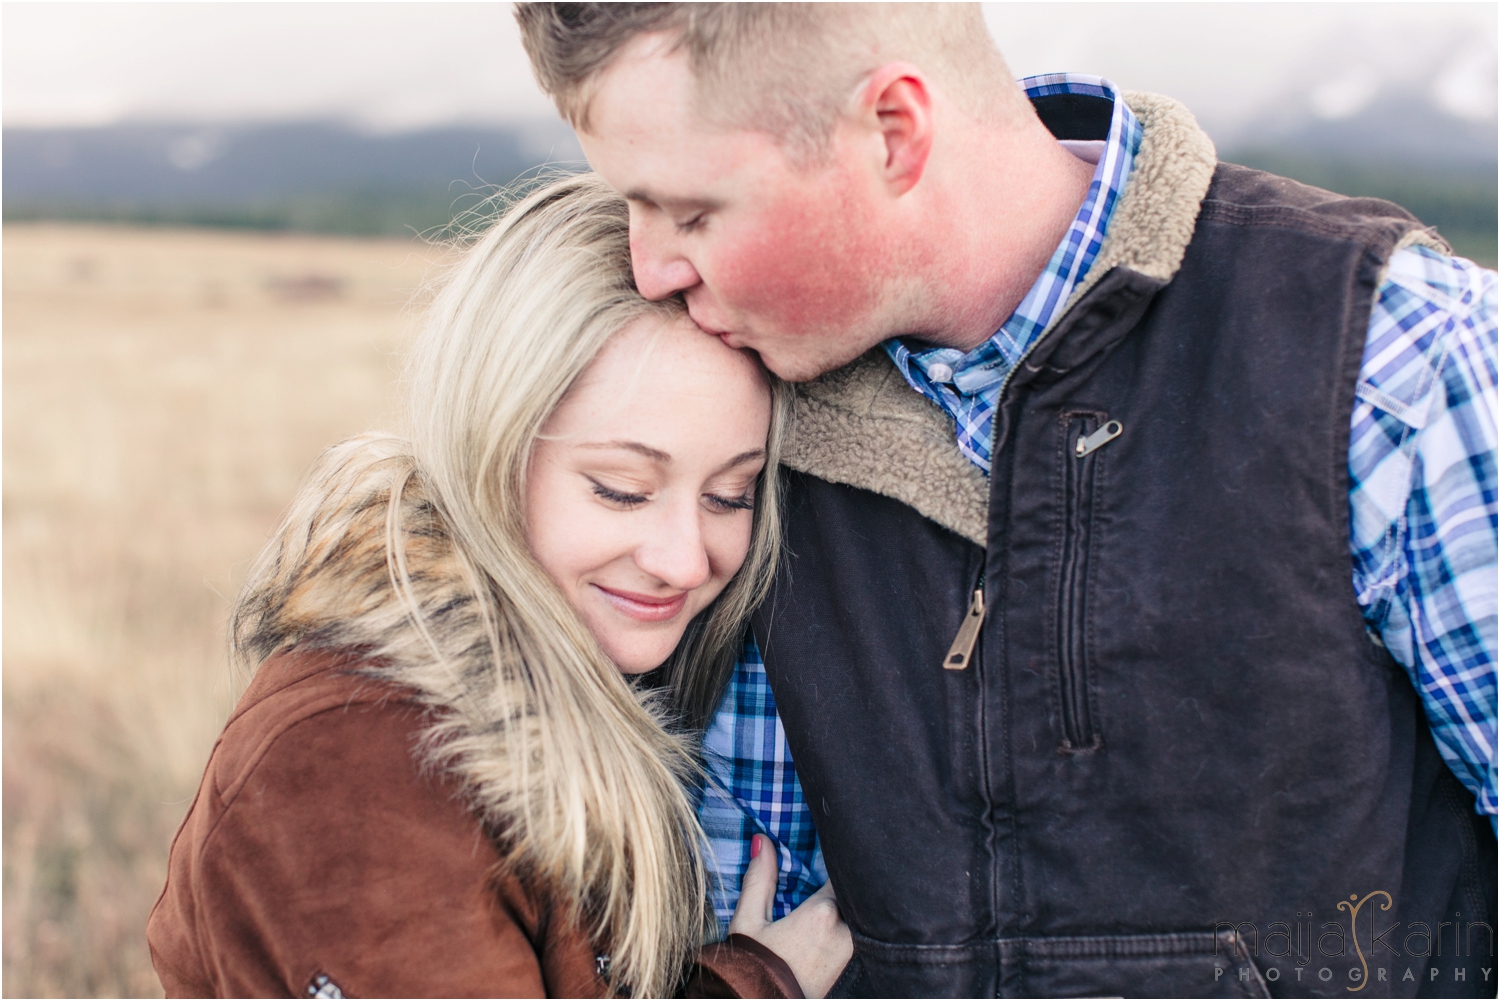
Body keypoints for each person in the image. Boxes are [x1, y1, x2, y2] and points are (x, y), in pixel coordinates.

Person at [516, 4, 1499, 996]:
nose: (653, 268)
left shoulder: (1390, 359)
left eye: (692, 213)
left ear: (893, 133)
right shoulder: (720, 420)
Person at [146, 175, 854, 999]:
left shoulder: (592, 669)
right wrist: (751, 987)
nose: (683, 559)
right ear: (493, 452)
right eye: (622, 487)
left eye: (730, 494)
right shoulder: (364, 759)